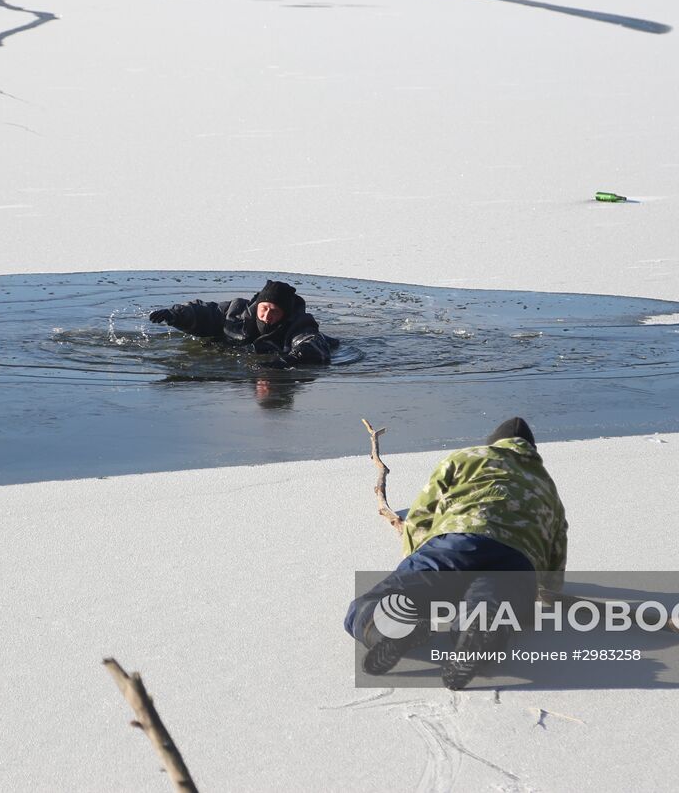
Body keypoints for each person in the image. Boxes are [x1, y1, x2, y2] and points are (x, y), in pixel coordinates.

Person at [344, 417, 567, 690]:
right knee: (494, 602)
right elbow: (556, 548)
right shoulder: (546, 484)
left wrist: (414, 555)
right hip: (517, 560)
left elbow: (423, 512)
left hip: (458, 543)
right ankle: (481, 629)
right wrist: (544, 588)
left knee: (382, 600)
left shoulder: (465, 457)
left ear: (493, 442)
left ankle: (387, 626)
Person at [147, 279, 334, 368]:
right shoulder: (236, 312)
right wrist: (174, 315)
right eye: (264, 308)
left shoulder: (299, 325)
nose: (267, 315)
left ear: (284, 314)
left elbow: (310, 343)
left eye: (275, 311)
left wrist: (287, 361)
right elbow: (207, 312)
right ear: (258, 305)